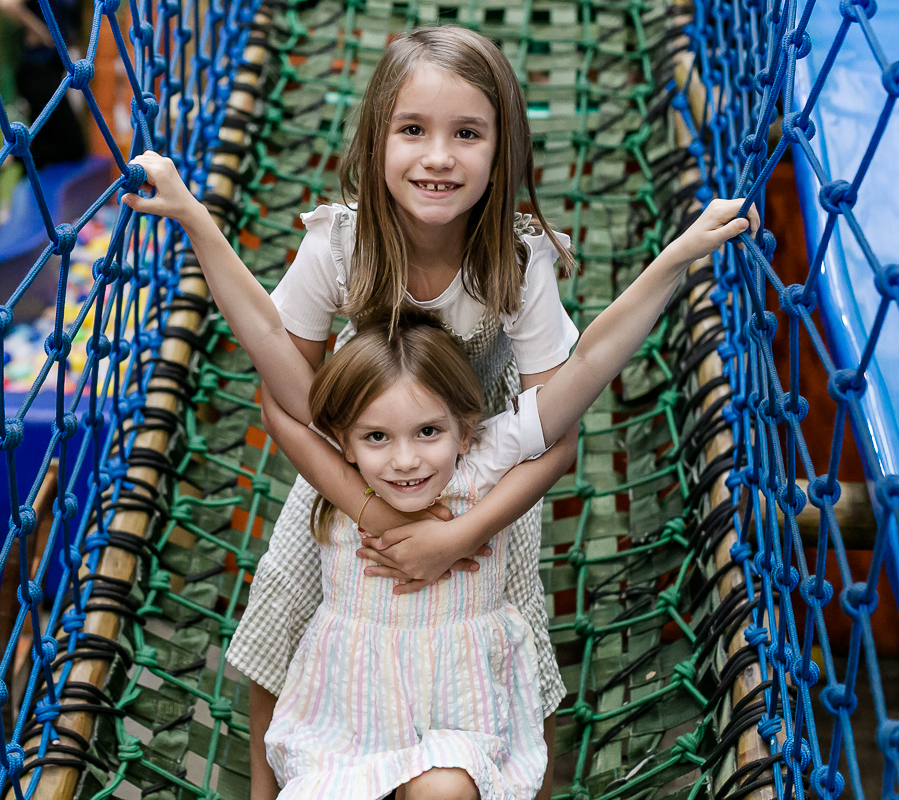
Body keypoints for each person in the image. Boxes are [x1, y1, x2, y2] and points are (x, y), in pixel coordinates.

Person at [120, 146, 757, 799]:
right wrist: (195, 218)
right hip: (348, 713)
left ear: (460, 427)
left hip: (461, 705)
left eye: (426, 434)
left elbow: (588, 365)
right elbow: (268, 340)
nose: (404, 459)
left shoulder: (483, 452)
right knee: (282, 595)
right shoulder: (354, 451)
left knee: (480, 716)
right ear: (345, 438)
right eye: (379, 440)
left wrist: (678, 257)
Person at [227, 28, 585, 799]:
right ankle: (272, 782)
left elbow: (556, 443)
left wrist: (459, 534)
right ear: (376, 139)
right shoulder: (341, 245)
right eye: (413, 130)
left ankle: (514, 779)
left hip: (482, 470)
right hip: (353, 465)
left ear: (503, 150)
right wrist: (364, 509)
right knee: (283, 596)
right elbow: (283, 401)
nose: (438, 157)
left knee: (519, 625)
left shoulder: (517, 265)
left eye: (468, 133)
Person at [0, 0, 87, 170]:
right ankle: (10, 156)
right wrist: (39, 30)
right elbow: (7, 4)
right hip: (37, 70)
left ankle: (22, 167)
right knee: (73, 146)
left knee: (46, 136)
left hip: (52, 67)